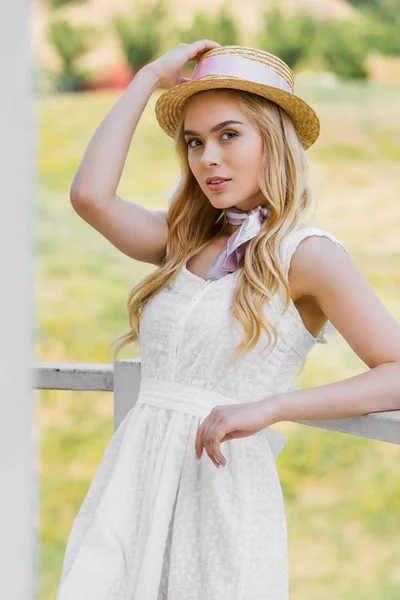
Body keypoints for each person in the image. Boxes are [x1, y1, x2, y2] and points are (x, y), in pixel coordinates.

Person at [56, 40, 400, 599]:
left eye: (229, 135)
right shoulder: (182, 238)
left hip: (219, 489)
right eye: (194, 141)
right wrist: (148, 78)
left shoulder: (307, 255)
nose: (207, 158)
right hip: (135, 483)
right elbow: (91, 197)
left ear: (274, 139)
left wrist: (273, 407)